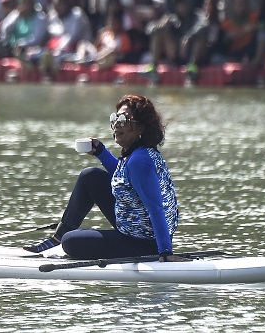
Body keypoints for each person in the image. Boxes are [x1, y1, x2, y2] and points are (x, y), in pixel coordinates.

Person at [24, 94, 184, 262]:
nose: (116, 124)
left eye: (124, 119)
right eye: (115, 118)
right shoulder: (137, 153)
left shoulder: (139, 161)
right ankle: (57, 237)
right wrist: (101, 152)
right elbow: (125, 180)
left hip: (144, 243)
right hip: (134, 225)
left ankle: (61, 239)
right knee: (90, 177)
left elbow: (156, 208)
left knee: (70, 242)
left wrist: (165, 252)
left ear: (141, 128)